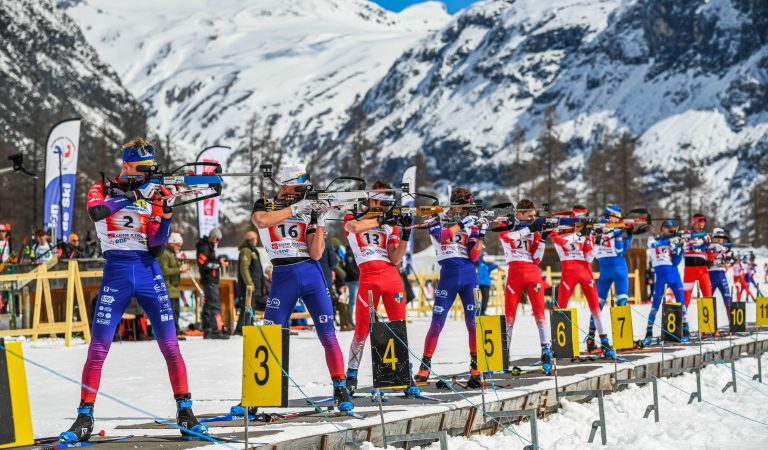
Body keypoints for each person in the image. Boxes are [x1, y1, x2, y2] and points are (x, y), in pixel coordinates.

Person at [60, 138, 206, 443]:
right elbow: (97, 212)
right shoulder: (102, 187)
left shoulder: (152, 192)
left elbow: (156, 247)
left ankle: (186, 411)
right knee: (98, 347)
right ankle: (84, 416)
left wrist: (164, 215)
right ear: (126, 165)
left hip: (147, 270)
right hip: (117, 271)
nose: (145, 173)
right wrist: (135, 194)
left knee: (170, 344)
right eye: (141, 169)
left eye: (149, 169)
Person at [250, 163, 353, 412]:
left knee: (327, 334)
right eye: (298, 188)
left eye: (304, 188)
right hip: (283, 275)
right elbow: (261, 222)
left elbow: (316, 253)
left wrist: (319, 222)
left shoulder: (307, 208)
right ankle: (259, 394)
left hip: (310, 273)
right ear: (286, 186)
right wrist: (294, 208)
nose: (302, 192)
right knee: (271, 334)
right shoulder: (266, 203)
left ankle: (340, 387)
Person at [342, 181, 415, 395]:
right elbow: (354, 228)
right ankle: (351, 373)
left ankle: (404, 374)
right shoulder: (353, 217)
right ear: (371, 200)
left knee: (398, 326)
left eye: (386, 204)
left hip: (391, 277)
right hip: (368, 278)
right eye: (380, 203)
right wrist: (381, 219)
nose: (384, 207)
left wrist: (405, 234)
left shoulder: (389, 224)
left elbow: (395, 258)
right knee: (362, 329)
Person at [414, 187, 485, 387]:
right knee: (437, 322)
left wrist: (480, 235)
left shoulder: (471, 222)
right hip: (448, 275)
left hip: (469, 275)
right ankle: (424, 366)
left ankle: (475, 367)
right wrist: (462, 223)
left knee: (473, 323)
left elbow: (473, 256)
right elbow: (441, 236)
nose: (465, 211)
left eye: (467, 208)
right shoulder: (438, 217)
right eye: (463, 206)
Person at [496, 199, 553, 373]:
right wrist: (529, 229)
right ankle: (505, 356)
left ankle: (546, 351)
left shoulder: (533, 228)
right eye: (530, 216)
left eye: (534, 216)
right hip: (514, 272)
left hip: (531, 272)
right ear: (519, 214)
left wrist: (542, 238)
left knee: (539, 313)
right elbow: (506, 238)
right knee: (510, 316)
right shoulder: (508, 225)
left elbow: (536, 258)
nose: (533, 219)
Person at [550, 206, 615, 358]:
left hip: (586, 271)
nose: (581, 224)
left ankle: (604, 341)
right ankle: (558, 345)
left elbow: (589, 258)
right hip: (569, 269)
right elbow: (560, 242)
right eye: (578, 221)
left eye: (583, 221)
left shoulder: (586, 234)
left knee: (595, 307)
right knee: (561, 306)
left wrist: (596, 241)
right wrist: (579, 234)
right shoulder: (561, 232)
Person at [588, 204, 633, 351]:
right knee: (622, 302)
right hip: (619, 268)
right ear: (612, 216)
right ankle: (623, 340)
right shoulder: (615, 228)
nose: (620, 219)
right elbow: (620, 251)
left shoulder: (597, 228)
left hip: (604, 270)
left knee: (598, 305)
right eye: (618, 216)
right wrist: (629, 236)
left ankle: (590, 337)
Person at [645, 220, 688, 345]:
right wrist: (669, 242)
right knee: (655, 304)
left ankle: (685, 331)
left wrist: (681, 248)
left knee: (681, 303)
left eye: (674, 229)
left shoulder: (673, 241)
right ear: (663, 229)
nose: (672, 231)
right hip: (661, 275)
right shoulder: (653, 238)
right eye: (670, 229)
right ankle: (648, 332)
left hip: (674, 274)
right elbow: (653, 245)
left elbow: (676, 261)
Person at [197, 227, 229, 339]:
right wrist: (218, 264)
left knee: (208, 305)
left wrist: (218, 261)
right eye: (217, 239)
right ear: (212, 237)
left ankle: (208, 329)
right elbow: (203, 264)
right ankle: (216, 330)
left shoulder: (209, 248)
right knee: (214, 304)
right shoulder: (204, 248)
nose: (217, 242)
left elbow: (209, 262)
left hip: (211, 280)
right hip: (209, 280)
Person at [158, 231, 189, 339]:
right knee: (170, 312)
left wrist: (180, 268)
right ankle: (170, 334)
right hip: (168, 288)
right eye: (178, 245)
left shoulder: (172, 254)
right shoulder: (164, 254)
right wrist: (179, 269)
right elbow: (164, 270)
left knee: (176, 312)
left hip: (174, 289)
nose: (179, 248)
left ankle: (175, 331)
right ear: (172, 243)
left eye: (180, 246)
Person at [682, 214, 712, 321]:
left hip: (702, 269)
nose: (700, 227)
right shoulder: (687, 234)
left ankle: (709, 328)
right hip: (689, 269)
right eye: (698, 225)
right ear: (694, 223)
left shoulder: (706, 236)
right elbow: (683, 244)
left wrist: (712, 254)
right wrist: (692, 242)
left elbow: (710, 252)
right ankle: (682, 326)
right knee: (685, 298)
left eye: (702, 225)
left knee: (708, 296)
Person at [234, 230, 264, 334]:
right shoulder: (246, 250)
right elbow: (244, 268)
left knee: (250, 307)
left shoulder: (252, 250)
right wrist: (250, 283)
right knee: (246, 307)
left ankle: (249, 327)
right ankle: (241, 329)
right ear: (252, 239)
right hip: (248, 287)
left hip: (253, 285)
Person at [707, 228, 732, 313]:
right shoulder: (708, 246)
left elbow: (727, 264)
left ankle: (732, 322)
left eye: (721, 237)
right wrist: (716, 252)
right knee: (708, 299)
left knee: (727, 298)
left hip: (721, 275)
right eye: (717, 237)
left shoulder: (724, 248)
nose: (720, 239)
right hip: (711, 275)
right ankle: (708, 324)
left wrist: (726, 263)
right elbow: (708, 261)